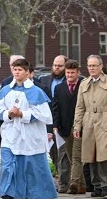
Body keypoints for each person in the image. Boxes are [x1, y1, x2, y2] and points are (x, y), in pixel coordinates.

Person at [0, 58, 57, 199]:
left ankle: (38, 195)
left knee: (33, 169)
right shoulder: (6, 90)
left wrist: (22, 114)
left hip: (30, 137)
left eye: (20, 70)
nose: (16, 72)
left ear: (27, 72)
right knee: (8, 166)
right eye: (15, 69)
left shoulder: (36, 91)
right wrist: (8, 114)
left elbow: (45, 115)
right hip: (10, 136)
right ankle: (8, 194)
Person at [73, 54, 107, 197]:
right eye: (89, 65)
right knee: (90, 155)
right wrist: (77, 126)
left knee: (104, 155)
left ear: (101, 66)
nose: (91, 68)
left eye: (94, 65)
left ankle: (105, 185)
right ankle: (96, 187)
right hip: (89, 121)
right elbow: (79, 107)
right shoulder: (84, 84)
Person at [51, 59, 86, 194]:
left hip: (79, 126)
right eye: (68, 73)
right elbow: (56, 108)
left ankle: (74, 183)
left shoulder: (83, 85)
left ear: (78, 72)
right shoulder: (59, 88)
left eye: (72, 73)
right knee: (71, 157)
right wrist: (55, 126)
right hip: (64, 128)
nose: (70, 75)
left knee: (76, 157)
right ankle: (82, 185)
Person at [39, 55, 69, 193]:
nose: (56, 68)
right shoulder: (44, 80)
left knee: (65, 154)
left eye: (60, 66)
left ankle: (65, 183)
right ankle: (61, 180)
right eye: (54, 65)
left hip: (65, 122)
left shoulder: (72, 79)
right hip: (48, 122)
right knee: (54, 154)